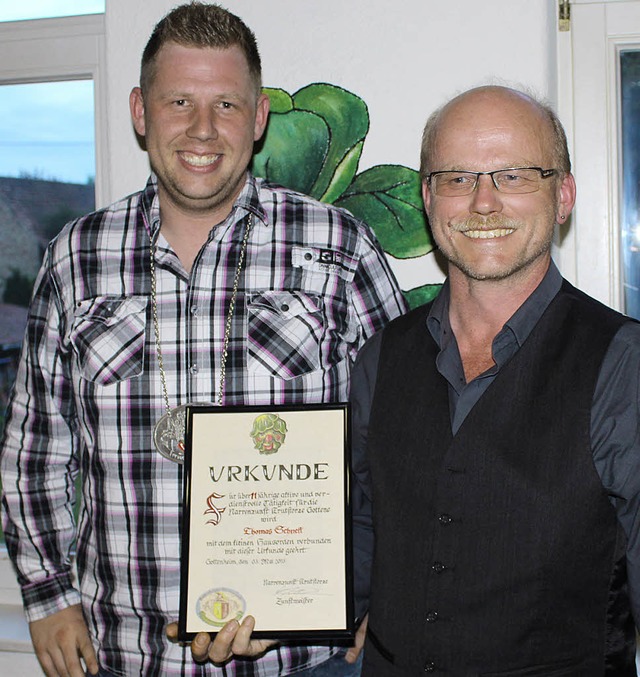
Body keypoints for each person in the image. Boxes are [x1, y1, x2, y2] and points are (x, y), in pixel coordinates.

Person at [0, 3, 406, 676]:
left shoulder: (340, 246)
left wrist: (379, 593)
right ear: (140, 111)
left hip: (305, 660)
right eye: (179, 100)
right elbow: (36, 450)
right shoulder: (77, 258)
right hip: (125, 655)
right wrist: (47, 595)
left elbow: (404, 442)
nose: (201, 128)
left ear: (258, 118)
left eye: (225, 104)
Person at [349, 85, 640, 676]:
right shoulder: (381, 356)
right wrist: (271, 611)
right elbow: (359, 535)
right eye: (457, 177)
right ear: (428, 198)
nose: (483, 202)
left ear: (564, 196)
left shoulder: (625, 364)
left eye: (513, 176)